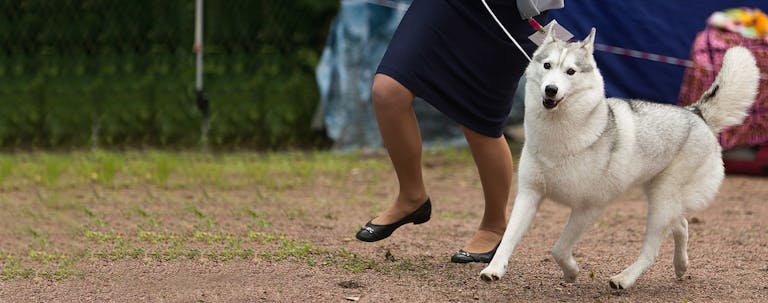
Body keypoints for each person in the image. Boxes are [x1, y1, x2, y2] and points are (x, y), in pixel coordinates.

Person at [355, 0, 564, 263]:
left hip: (509, 13)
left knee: (480, 124)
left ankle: (493, 225)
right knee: (388, 91)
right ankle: (411, 196)